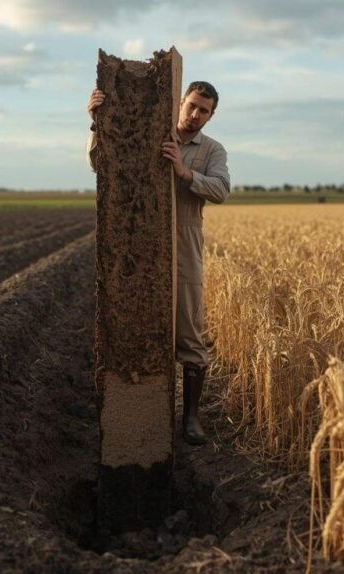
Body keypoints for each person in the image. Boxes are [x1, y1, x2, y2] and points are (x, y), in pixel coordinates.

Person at [87, 81, 230, 445]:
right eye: (192, 106)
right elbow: (99, 164)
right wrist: (96, 122)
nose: (195, 115)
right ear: (180, 102)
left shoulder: (213, 150)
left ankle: (192, 417)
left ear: (211, 116)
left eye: (204, 111)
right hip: (140, 240)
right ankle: (130, 411)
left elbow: (222, 190)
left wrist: (185, 173)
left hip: (185, 243)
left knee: (189, 329)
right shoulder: (151, 131)